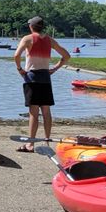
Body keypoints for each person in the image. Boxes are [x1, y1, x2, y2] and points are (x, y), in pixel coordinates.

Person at [13, 16, 71, 153]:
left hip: (32, 77)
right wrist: (55, 68)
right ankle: (46, 141)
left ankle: (31, 144)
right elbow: (66, 56)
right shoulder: (49, 40)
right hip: (45, 77)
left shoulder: (27, 39)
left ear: (31, 26)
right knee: (46, 111)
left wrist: (20, 69)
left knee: (33, 112)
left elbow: (16, 56)